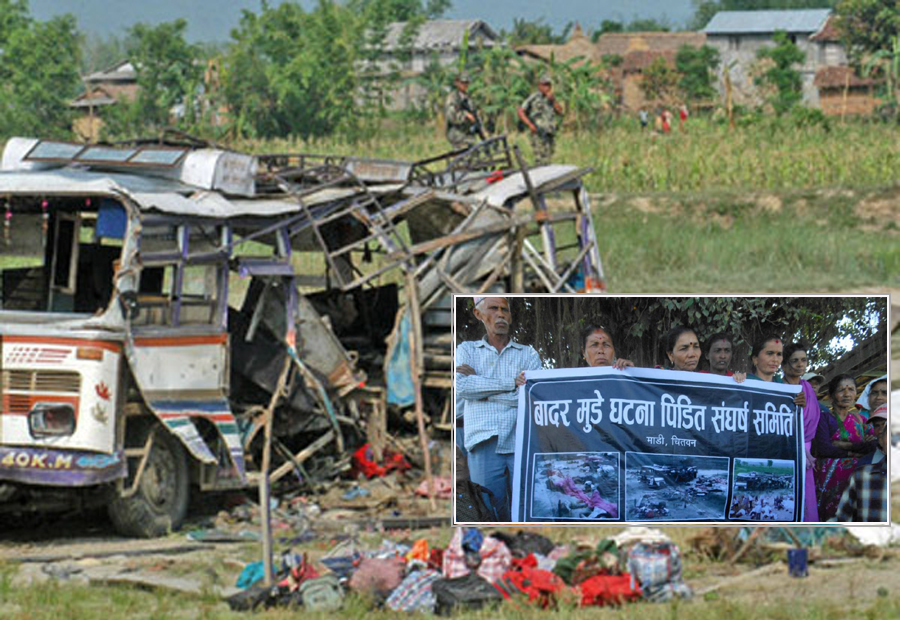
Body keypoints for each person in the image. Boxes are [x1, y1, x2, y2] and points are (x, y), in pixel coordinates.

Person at [456, 296, 541, 521]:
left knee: (527, 508)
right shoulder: (467, 350)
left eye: (505, 309)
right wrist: (511, 383)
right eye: (493, 308)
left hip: (521, 442)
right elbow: (463, 388)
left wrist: (481, 386)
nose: (500, 314)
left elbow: (533, 395)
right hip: (483, 441)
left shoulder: (528, 354)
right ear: (478, 314)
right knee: (487, 510)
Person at [813, 374, 877, 520]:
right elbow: (824, 449)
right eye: (841, 390)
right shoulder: (824, 419)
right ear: (831, 397)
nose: (847, 394)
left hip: (855, 479)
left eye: (851, 389)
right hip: (829, 478)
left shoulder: (861, 420)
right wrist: (854, 452)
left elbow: (873, 446)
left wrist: (844, 445)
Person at [780, 342, 822, 522]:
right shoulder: (776, 387)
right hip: (785, 448)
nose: (800, 364)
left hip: (806, 449)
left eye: (803, 360)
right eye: (795, 360)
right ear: (784, 365)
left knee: (806, 493)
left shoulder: (808, 388)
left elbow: (813, 418)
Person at [831, 404, 888, 522]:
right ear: (882, 440)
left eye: (886, 425)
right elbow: (844, 519)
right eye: (877, 426)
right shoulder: (863, 471)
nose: (881, 430)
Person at [518, 73, 564, 165]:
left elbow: (560, 112)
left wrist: (553, 101)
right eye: (544, 85)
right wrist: (529, 124)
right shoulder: (534, 97)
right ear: (539, 86)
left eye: (548, 85)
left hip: (549, 131)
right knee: (540, 158)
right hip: (538, 131)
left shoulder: (551, 98)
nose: (547, 87)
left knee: (549, 157)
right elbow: (520, 111)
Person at [445, 72, 480, 150]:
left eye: (467, 83)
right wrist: (465, 115)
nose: (465, 85)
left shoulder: (468, 98)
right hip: (457, 134)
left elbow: (474, 114)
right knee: (464, 154)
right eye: (462, 82)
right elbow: (451, 116)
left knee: (475, 152)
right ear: (457, 83)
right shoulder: (452, 98)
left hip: (468, 134)